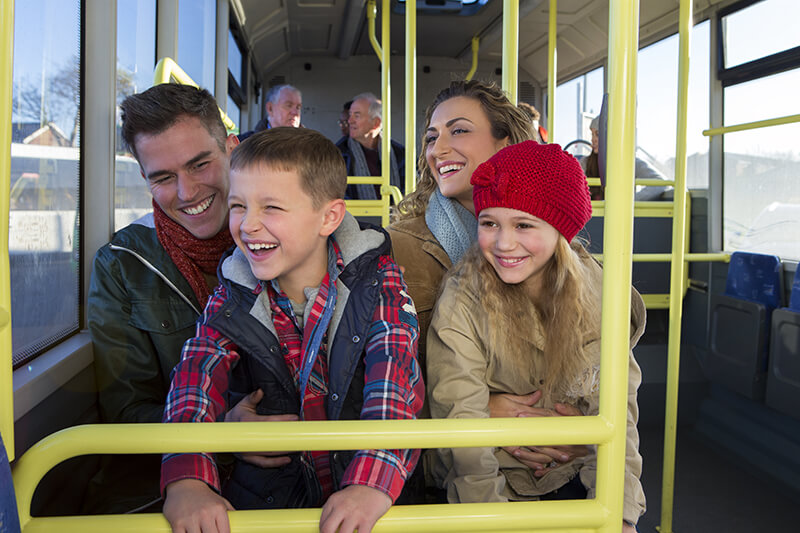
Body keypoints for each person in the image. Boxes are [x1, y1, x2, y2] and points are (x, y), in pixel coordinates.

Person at [160, 127, 424, 533]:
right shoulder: (234, 290)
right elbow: (195, 374)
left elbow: (394, 378)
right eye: (238, 205)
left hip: (372, 494)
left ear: (329, 217)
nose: (248, 225)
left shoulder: (378, 284)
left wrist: (371, 483)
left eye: (271, 209)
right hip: (272, 499)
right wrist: (188, 478)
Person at [426, 140, 646, 531]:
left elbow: (619, 414)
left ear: (560, 230)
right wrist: (491, 520)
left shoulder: (600, 293)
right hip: (496, 481)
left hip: (576, 474)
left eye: (523, 225)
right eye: (489, 223)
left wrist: (621, 513)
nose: (503, 243)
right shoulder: (463, 297)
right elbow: (461, 426)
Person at [86, 83, 239, 513]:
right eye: (164, 178)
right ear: (144, 179)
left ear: (231, 148)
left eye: (200, 165)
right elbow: (127, 413)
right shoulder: (122, 264)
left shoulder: (286, 236)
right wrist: (226, 433)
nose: (187, 193)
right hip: (168, 485)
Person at [387, 80, 533, 375]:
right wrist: (484, 406)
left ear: (504, 142)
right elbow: (380, 376)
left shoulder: (548, 238)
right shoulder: (395, 248)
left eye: (459, 131)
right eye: (431, 137)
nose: (437, 150)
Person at [582, 115, 670, 201]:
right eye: (592, 134)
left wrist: (629, 202)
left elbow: (660, 183)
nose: (593, 139)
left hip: (618, 215)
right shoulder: (585, 163)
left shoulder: (630, 162)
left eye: (597, 134)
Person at [336, 92, 404, 199]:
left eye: (356, 116)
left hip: (395, 215)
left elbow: (411, 190)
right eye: (350, 115)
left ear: (376, 123)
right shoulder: (337, 154)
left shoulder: (400, 154)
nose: (350, 121)